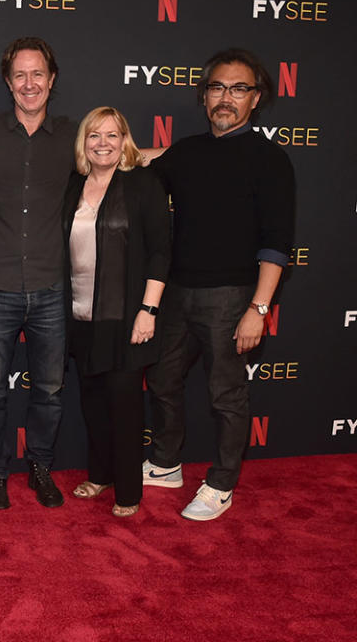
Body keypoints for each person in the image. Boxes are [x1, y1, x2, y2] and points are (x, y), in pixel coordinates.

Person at [142, 48, 295, 521]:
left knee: (226, 396)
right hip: (176, 293)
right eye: (216, 87)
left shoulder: (270, 159)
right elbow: (141, 165)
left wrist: (259, 308)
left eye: (238, 88)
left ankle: (222, 483)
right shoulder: (186, 150)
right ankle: (166, 463)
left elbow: (277, 244)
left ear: (256, 98)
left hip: (232, 298)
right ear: (204, 96)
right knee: (164, 381)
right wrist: (106, 149)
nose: (225, 97)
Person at [0, 37, 77, 510]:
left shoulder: (75, 135)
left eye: (38, 75)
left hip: (51, 284)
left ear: (51, 80)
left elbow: (123, 157)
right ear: (8, 82)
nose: (30, 84)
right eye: (20, 75)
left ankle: (41, 467)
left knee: (48, 391)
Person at [62, 107, 171, 517]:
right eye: (94, 135)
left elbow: (161, 249)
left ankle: (128, 490)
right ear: (83, 142)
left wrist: (149, 309)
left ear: (125, 140)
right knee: (92, 403)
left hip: (127, 315)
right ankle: (100, 473)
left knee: (125, 407)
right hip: (80, 315)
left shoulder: (142, 183)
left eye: (111, 135)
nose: (102, 143)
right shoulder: (73, 185)